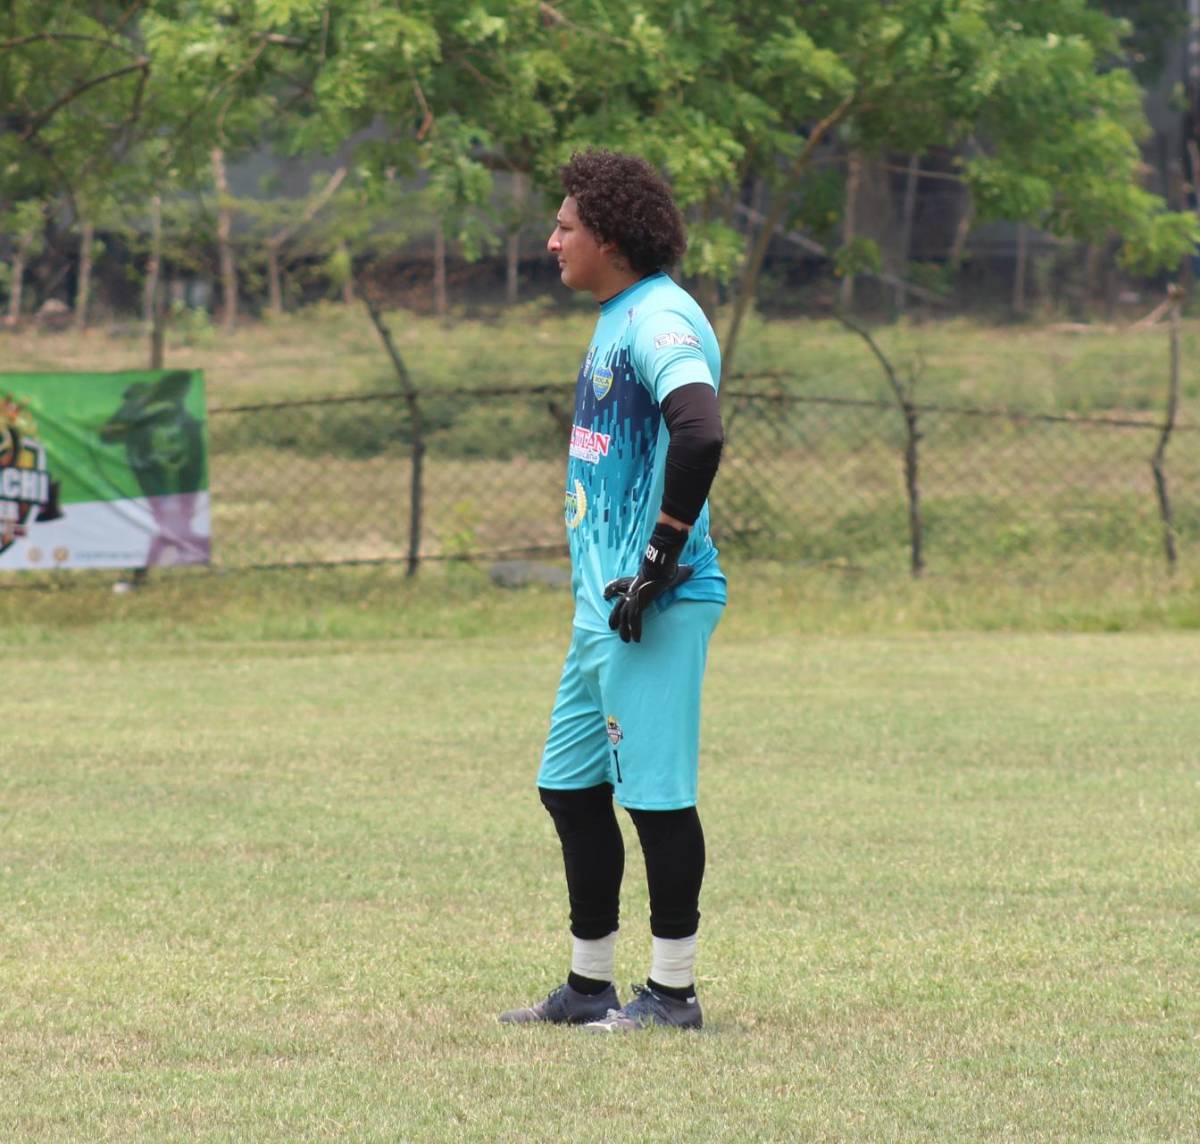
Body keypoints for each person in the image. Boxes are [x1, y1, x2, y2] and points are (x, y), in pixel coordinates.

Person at [499, 149, 725, 1033]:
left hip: (652, 606)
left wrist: (662, 559)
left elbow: (699, 430)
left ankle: (672, 994)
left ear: (612, 239)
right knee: (570, 788)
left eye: (565, 227)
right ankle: (589, 986)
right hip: (602, 607)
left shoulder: (660, 317)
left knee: (657, 798)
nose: (551, 240)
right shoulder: (616, 312)